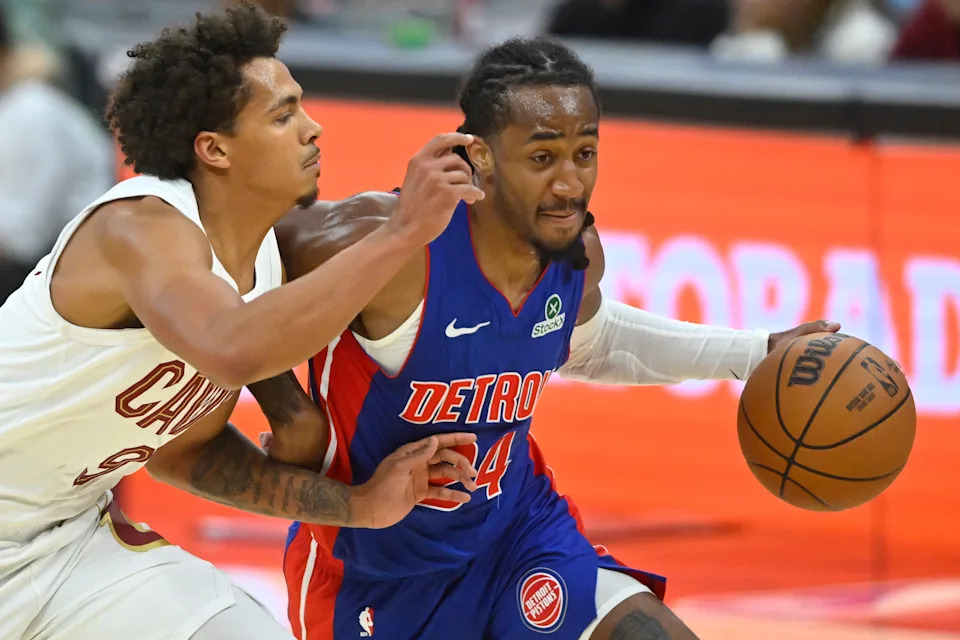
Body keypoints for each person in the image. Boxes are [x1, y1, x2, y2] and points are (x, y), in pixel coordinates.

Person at [269, 37, 840, 640]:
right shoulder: (383, 243)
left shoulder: (575, 256)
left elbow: (593, 342)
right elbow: (223, 277)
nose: (570, 184)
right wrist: (289, 412)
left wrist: (755, 352)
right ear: (481, 157)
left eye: (584, 153)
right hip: (375, 573)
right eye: (543, 159)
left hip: (516, 536)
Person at [0, 3, 484, 639]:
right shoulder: (140, 229)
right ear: (214, 149)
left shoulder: (258, 260)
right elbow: (233, 348)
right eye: (283, 114)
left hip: (62, 542)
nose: (313, 129)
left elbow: (186, 455)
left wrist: (360, 507)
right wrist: (400, 234)